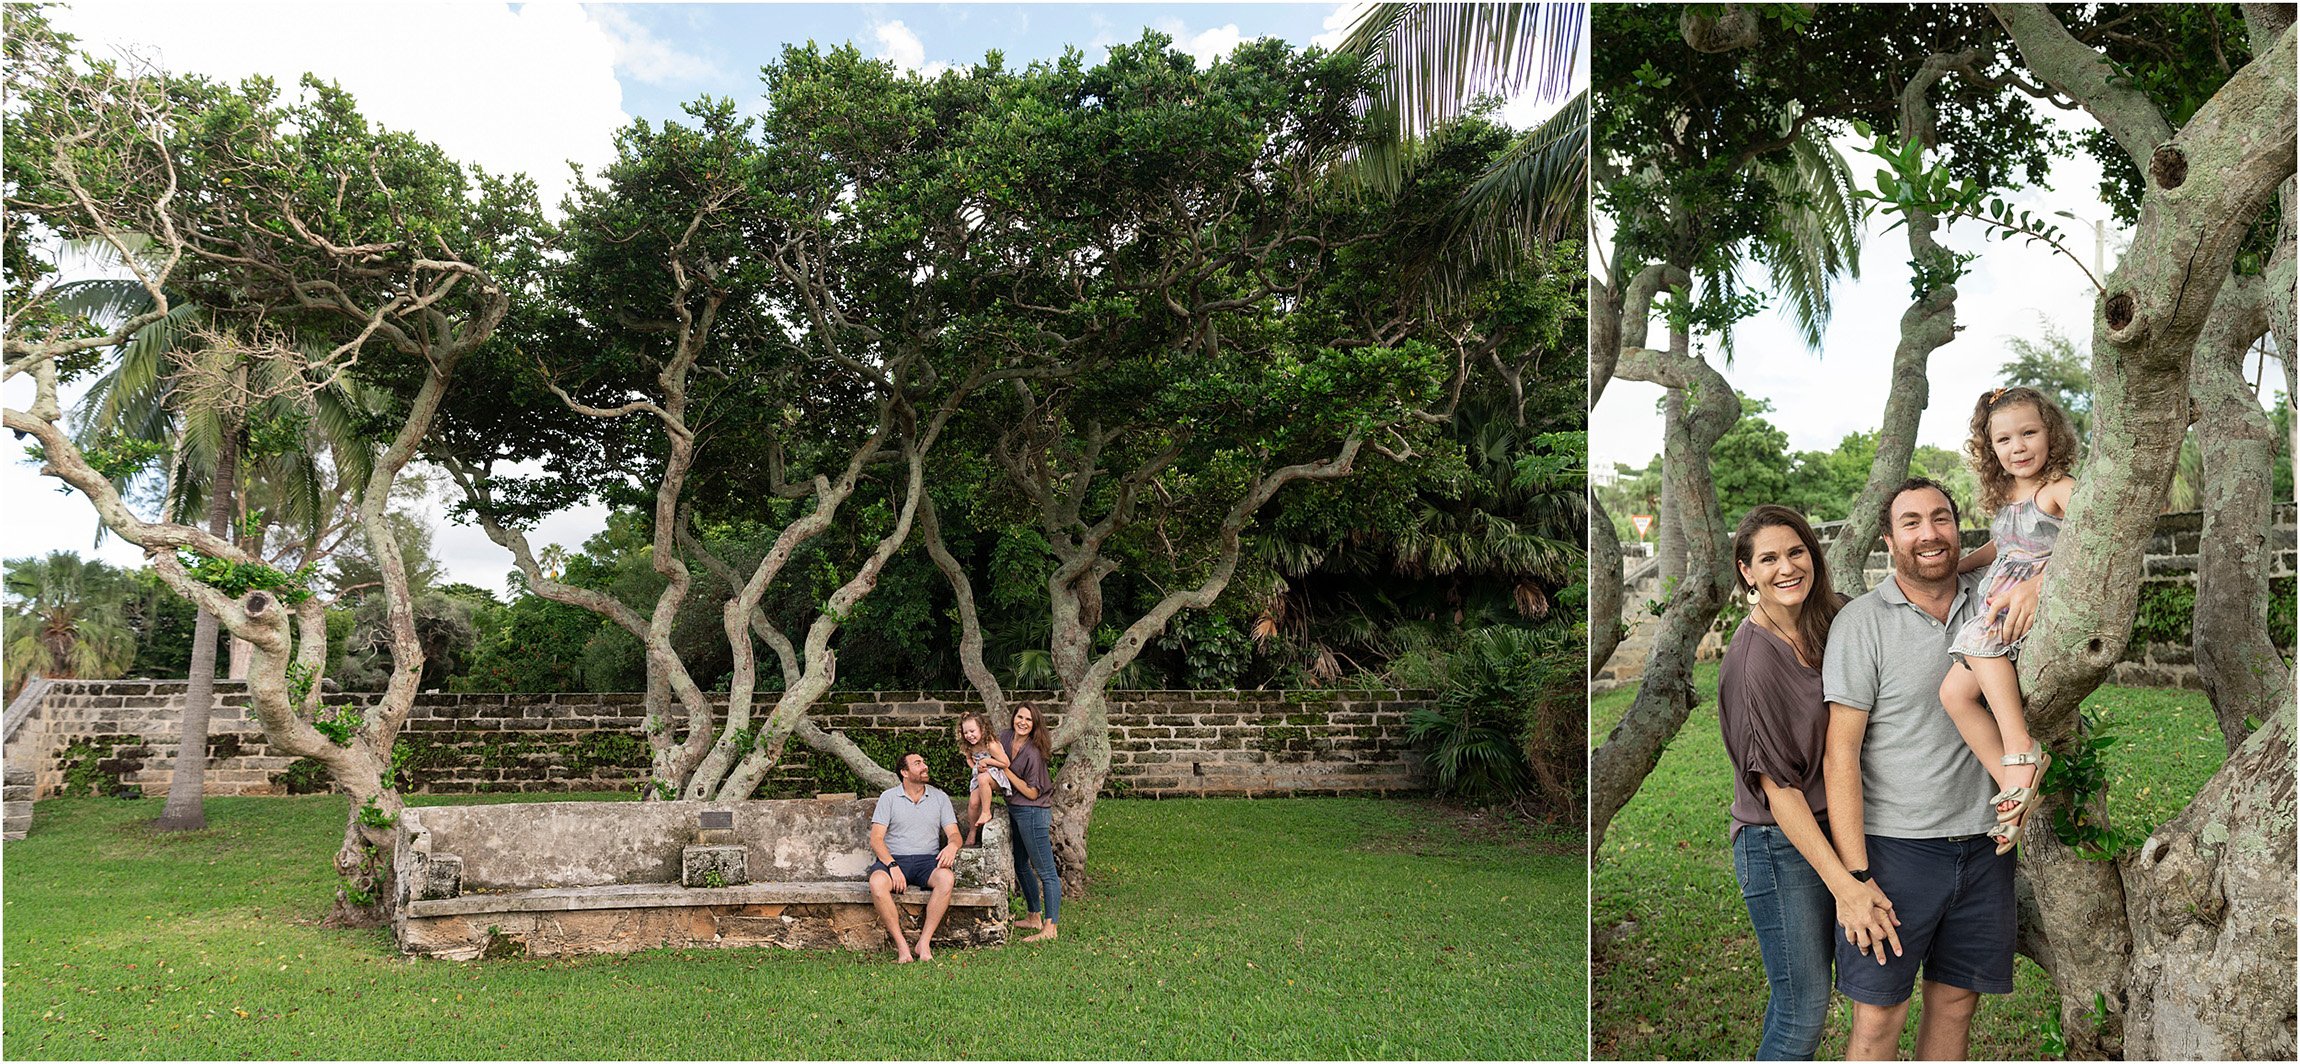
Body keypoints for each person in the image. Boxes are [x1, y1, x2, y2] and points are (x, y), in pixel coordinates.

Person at [1824, 478, 2014, 1060]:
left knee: (1956, 1006)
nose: (1929, 534)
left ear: (1959, 527)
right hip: (1895, 852)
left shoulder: (1993, 597)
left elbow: (2043, 537)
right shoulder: (1862, 622)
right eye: (1911, 523)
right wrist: (1855, 879)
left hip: (1986, 849)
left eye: (1941, 518)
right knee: (1880, 1017)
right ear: (1888, 539)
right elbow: (1841, 755)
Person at [1718, 505, 1899, 1060]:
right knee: (1802, 1012)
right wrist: (1848, 886)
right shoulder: (1751, 663)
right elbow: (1780, 793)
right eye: (1768, 558)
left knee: (1822, 1000)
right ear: (1747, 573)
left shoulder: (1835, 619)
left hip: (1843, 823)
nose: (1786, 567)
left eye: (1796, 552)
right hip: (1780, 844)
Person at [1942, 386, 2078, 853]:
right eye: (2003, 440)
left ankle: (2021, 750)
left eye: (2028, 433)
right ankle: (2014, 789)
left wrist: (2040, 584)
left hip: (2029, 609)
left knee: (1979, 639)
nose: (2017, 447)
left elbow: (2093, 545)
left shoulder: (2058, 489)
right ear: (1989, 448)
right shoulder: (2006, 495)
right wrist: (1959, 565)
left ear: (2051, 434)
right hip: (1999, 606)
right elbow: (2002, 547)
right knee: (1953, 693)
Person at [865, 751, 963, 963]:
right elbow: (876, 839)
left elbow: (954, 834)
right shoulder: (889, 797)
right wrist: (892, 865)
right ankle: (902, 947)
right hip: (894, 860)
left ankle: (923, 943)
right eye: (917, 763)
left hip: (927, 862)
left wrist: (952, 846)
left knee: (946, 879)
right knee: (876, 883)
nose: (924, 766)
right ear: (904, 772)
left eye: (923, 762)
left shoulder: (939, 797)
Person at [1001, 702, 1060, 943]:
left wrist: (1006, 771)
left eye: (1028, 719)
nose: (1023, 722)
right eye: (1019, 717)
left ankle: (1050, 928)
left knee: (1046, 871)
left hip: (1032, 811)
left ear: (1034, 725)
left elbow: (1032, 793)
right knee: (1021, 865)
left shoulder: (1034, 752)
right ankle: (1033, 915)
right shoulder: (1005, 737)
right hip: (1015, 809)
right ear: (1013, 718)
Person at [955, 711, 1011, 847]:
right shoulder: (969, 745)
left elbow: (1005, 763)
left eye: (972, 731)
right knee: (973, 803)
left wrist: (987, 761)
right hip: (980, 775)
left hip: (996, 776)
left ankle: (986, 812)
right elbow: (969, 759)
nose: (969, 735)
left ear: (982, 728)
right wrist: (975, 766)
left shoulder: (990, 744)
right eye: (965, 732)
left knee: (983, 778)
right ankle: (972, 831)